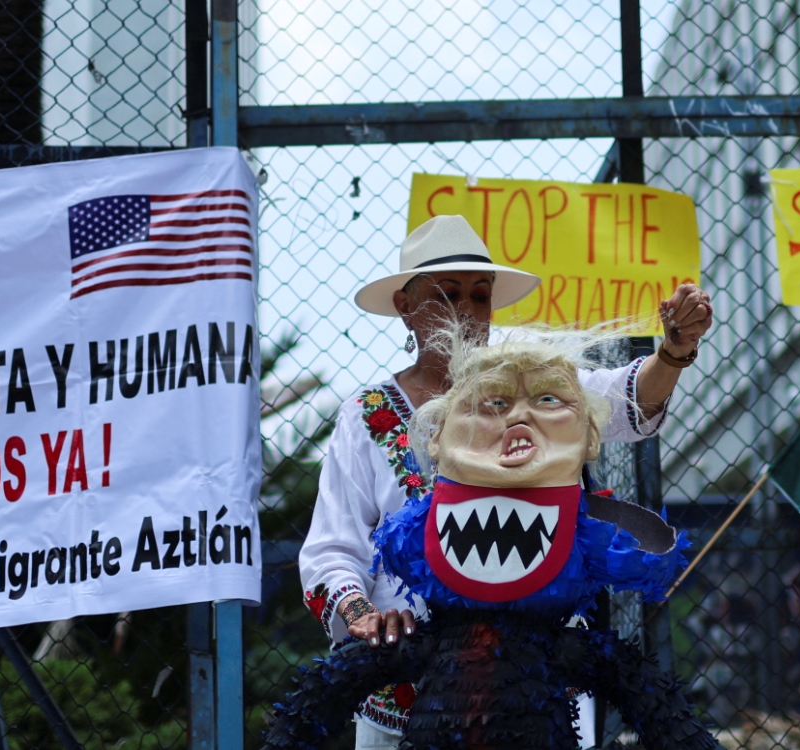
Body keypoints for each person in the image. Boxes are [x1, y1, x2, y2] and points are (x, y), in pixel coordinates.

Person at [298, 214, 712, 747]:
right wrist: (366, 618)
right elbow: (332, 548)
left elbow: (628, 399)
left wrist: (673, 352)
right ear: (405, 306)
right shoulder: (366, 414)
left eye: (479, 295)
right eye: (447, 294)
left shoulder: (534, 387)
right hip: (406, 688)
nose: (466, 311)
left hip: (534, 686)